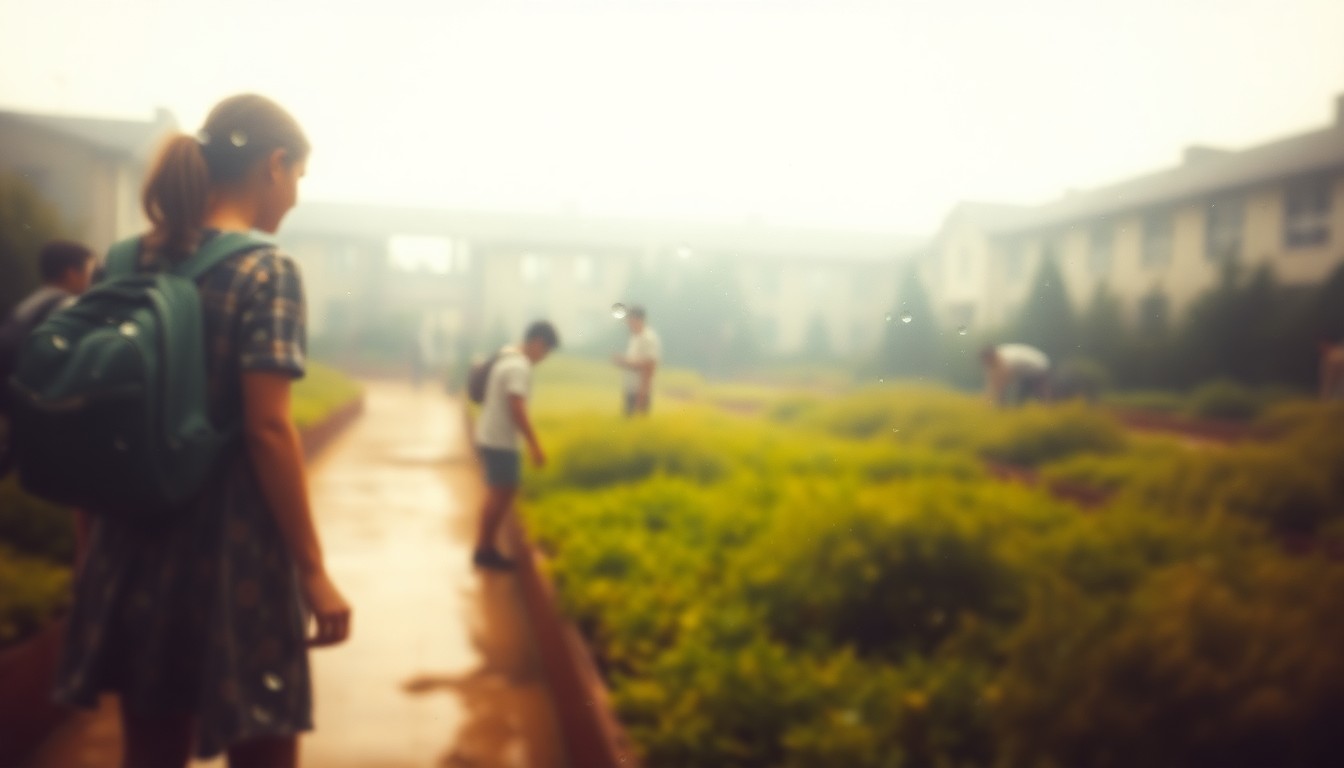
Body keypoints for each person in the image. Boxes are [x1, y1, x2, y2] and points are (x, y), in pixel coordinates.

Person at [50, 94, 351, 768]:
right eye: (299, 178)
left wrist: (89, 551)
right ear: (275, 166)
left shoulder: (122, 262)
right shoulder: (266, 270)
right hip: (234, 551)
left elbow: (96, 418)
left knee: (151, 753)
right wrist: (313, 572)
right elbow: (268, 429)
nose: (296, 197)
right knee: (265, 738)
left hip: (130, 549)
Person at [0, 241, 95, 474]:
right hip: (32, 402)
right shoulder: (69, 306)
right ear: (71, 274)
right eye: (92, 272)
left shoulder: (30, 302)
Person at [473, 320, 560, 570]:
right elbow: (517, 407)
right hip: (500, 440)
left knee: (500, 493)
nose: (544, 358)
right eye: (546, 351)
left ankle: (485, 547)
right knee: (499, 494)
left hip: (492, 436)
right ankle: (484, 549)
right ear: (538, 343)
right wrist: (535, 444)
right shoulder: (519, 366)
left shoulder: (508, 358)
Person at [611, 304, 660, 416]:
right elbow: (636, 362)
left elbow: (649, 367)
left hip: (640, 393)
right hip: (631, 390)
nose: (627, 323)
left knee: (637, 426)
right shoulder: (635, 337)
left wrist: (641, 397)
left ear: (637, 319)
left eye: (629, 319)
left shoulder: (648, 338)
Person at [981, 343, 1051, 407]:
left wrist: (995, 395)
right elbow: (992, 379)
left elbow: (1003, 381)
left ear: (991, 355)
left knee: (1039, 392)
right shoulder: (998, 356)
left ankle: (1048, 409)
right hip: (1028, 370)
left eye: (987, 359)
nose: (986, 363)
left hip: (1038, 367)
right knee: (1019, 399)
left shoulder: (1005, 358)